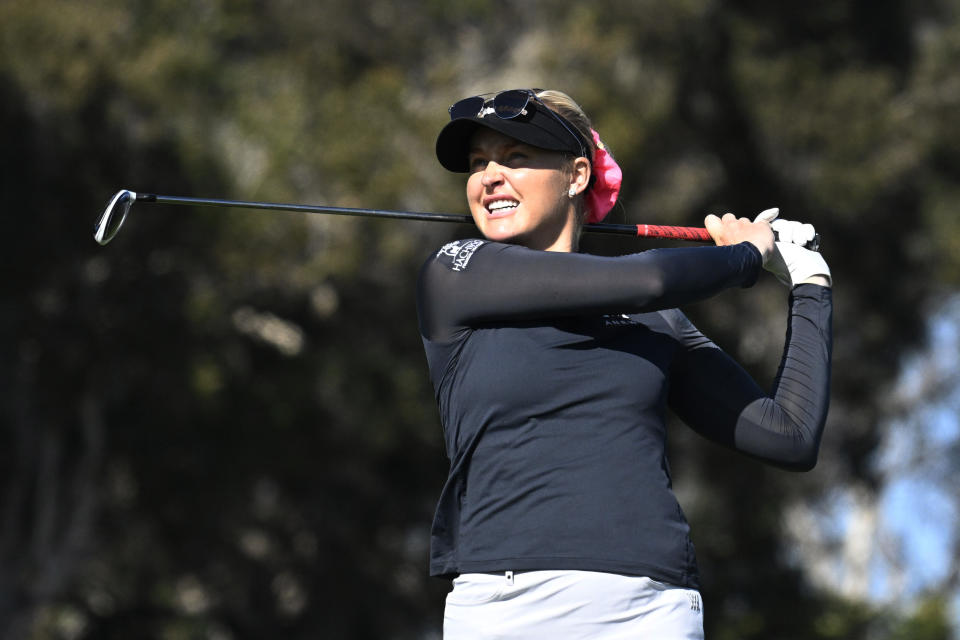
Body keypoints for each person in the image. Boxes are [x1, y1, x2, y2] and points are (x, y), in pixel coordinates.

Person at [416, 89, 832, 639]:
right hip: (504, 605)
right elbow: (652, 279)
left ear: (577, 174)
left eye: (515, 158)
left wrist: (810, 285)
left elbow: (789, 435)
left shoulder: (656, 322)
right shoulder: (455, 274)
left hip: (650, 607)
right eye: (477, 164)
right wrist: (746, 254)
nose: (488, 177)